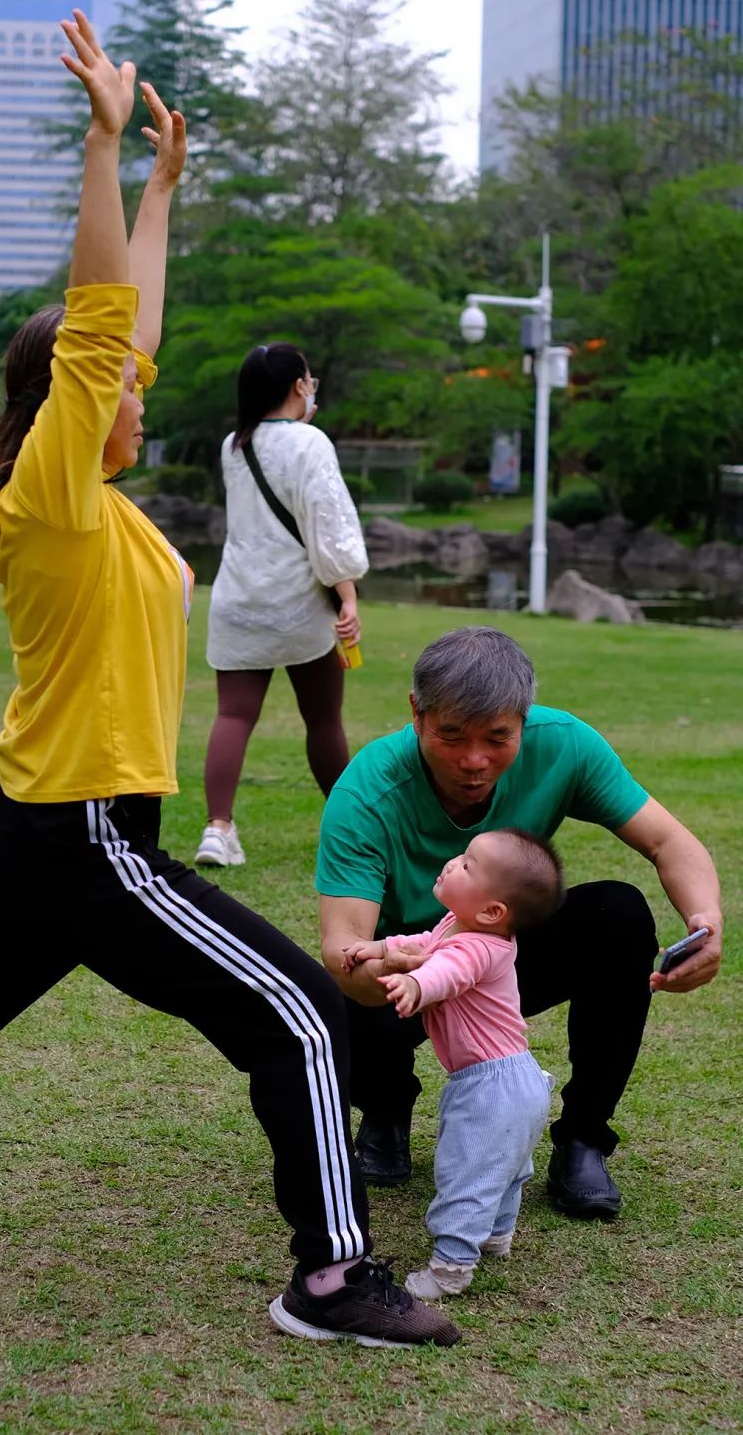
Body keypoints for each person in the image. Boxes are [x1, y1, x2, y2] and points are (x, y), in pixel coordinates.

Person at [0, 12, 458, 1352]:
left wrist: (160, 184)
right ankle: (332, 1278)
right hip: (80, 829)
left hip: (28, 818)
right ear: (73, 397)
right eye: (119, 385)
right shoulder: (53, 492)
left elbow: (124, 325)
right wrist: (101, 153)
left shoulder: (82, 492)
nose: (142, 395)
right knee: (296, 1021)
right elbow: (104, 324)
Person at [317, 625, 723, 1220]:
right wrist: (383, 964)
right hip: (409, 968)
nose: (474, 761)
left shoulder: (565, 746)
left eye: (497, 738)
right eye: (451, 735)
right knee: (351, 975)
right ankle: (384, 1114)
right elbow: (342, 947)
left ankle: (583, 1138)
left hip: (500, 956)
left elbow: (668, 840)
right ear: (417, 713)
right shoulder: (367, 792)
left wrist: (705, 921)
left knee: (618, 913)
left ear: (524, 721)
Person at [344, 829, 564, 1299]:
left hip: (490, 1083)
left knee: (466, 1170)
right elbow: (426, 944)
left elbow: (448, 971)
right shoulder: (459, 925)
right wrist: (383, 950)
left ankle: (451, 1267)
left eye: (467, 864)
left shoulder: (483, 947)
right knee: (505, 1164)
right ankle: (497, 1235)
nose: (451, 862)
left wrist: (415, 986)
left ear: (492, 911)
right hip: (517, 1076)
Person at [195, 344, 368, 868]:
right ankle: (352, 828)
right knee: (323, 721)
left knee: (232, 714)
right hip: (298, 605)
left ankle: (218, 828)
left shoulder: (233, 445)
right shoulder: (310, 443)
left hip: (239, 599)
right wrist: (347, 595)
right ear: (299, 385)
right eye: (309, 379)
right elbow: (328, 524)